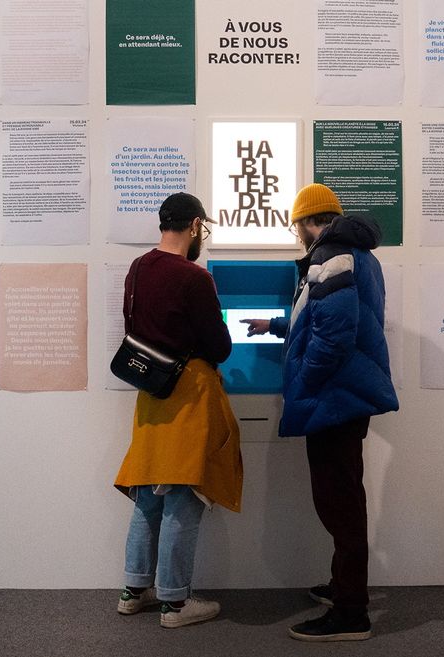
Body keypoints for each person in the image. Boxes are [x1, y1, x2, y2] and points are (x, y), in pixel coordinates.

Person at [241, 183, 398, 642]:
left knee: (339, 503)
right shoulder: (358, 255)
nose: (297, 237)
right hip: (346, 395)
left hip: (334, 397)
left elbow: (333, 337)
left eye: (297, 227)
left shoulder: (331, 255)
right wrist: (275, 325)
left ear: (309, 222)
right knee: (343, 495)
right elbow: (325, 316)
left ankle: (351, 613)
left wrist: (302, 382)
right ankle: (342, 588)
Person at [113, 192, 243, 629]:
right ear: (194, 227)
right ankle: (174, 602)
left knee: (148, 494)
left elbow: (133, 329)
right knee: (183, 497)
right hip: (188, 393)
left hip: (151, 392)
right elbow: (219, 346)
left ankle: (134, 591)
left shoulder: (137, 268)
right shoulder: (194, 277)